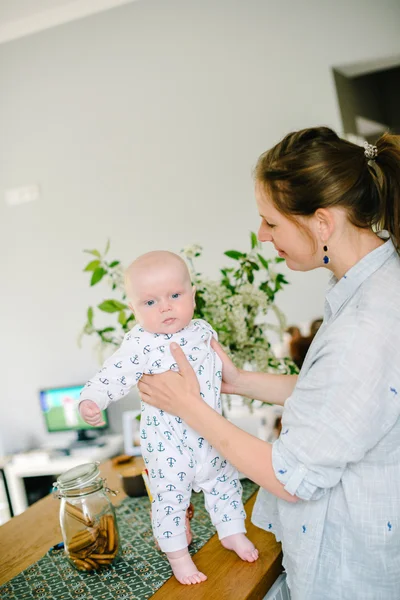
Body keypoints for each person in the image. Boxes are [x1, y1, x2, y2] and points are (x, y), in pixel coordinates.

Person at [136, 127, 400, 600]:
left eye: (271, 223)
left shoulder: (366, 324)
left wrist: (190, 408)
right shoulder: (374, 285)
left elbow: (291, 477)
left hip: (350, 574)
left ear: (322, 223)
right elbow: (338, 403)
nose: (261, 236)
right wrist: (238, 381)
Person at [79, 250, 258, 585]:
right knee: (170, 501)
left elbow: (219, 371)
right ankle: (178, 555)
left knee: (224, 483)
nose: (165, 307)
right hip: (167, 443)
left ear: (192, 295)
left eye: (175, 296)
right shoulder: (138, 344)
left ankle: (232, 531)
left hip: (210, 434)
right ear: (133, 309)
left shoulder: (204, 330)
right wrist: (93, 399)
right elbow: (113, 374)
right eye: (150, 302)